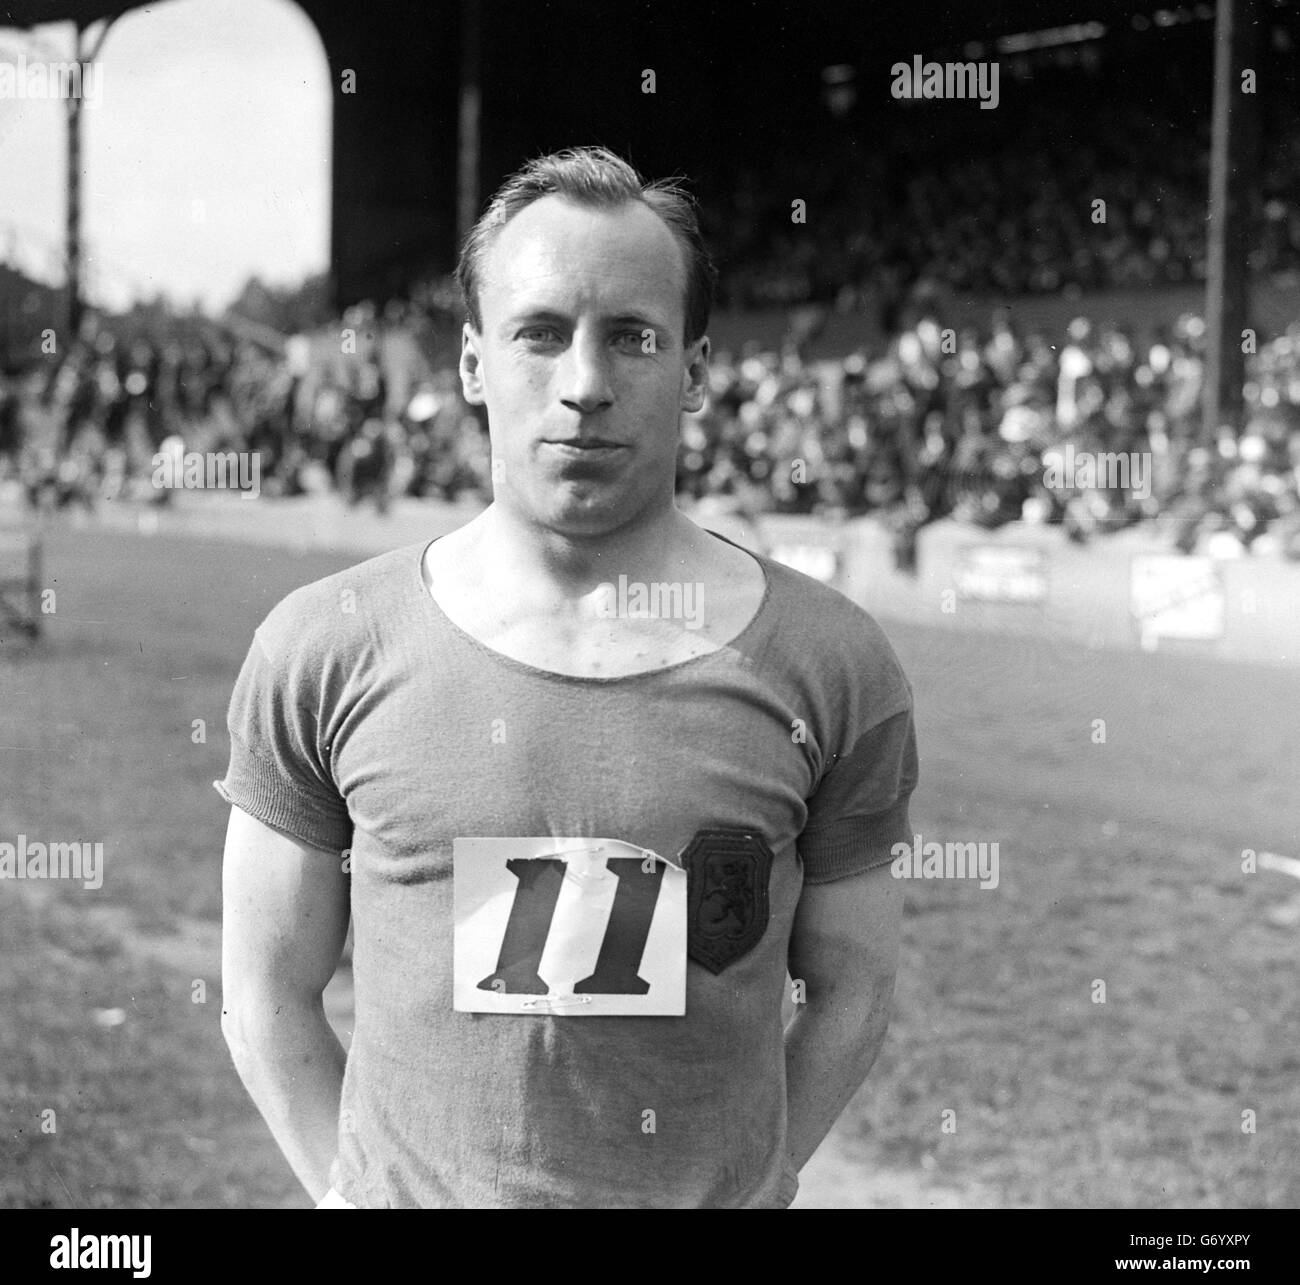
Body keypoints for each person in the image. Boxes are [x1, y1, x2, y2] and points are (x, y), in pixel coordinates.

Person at [217, 146, 918, 1208]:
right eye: (539, 333)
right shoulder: (323, 649)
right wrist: (351, 1195)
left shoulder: (830, 664)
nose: (584, 385)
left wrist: (759, 1177)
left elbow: (854, 980)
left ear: (692, 369)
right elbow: (266, 988)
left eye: (632, 337)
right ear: (470, 363)